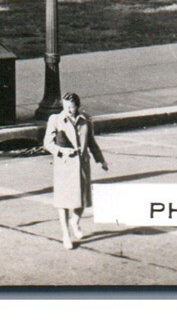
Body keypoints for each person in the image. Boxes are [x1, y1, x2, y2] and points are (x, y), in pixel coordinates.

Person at [44, 92, 108, 249]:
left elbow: (92, 142)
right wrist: (61, 151)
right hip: (64, 165)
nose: (68, 110)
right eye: (65, 106)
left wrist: (100, 160)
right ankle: (66, 235)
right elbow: (48, 143)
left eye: (71, 107)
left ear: (77, 106)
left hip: (82, 165)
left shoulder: (85, 120)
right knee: (63, 202)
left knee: (82, 200)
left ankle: (74, 221)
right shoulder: (56, 119)